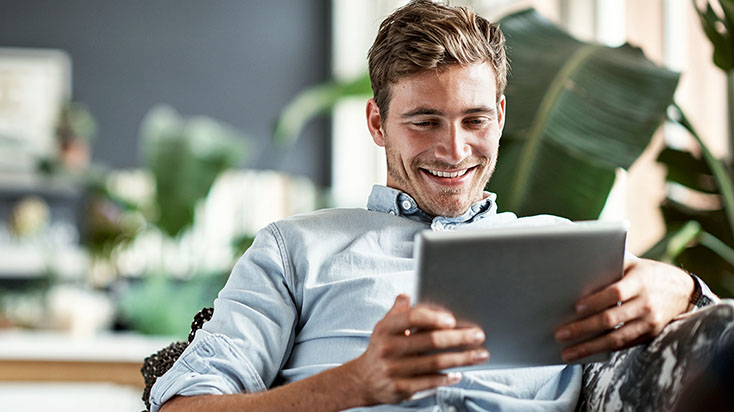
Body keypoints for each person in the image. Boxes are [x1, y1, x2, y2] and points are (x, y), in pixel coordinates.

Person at [150, 1, 718, 411]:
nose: (454, 150)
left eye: (475, 121)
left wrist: (685, 289)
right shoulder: (295, 248)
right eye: (424, 122)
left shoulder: (564, 247)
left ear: (499, 115)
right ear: (378, 122)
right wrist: (356, 384)